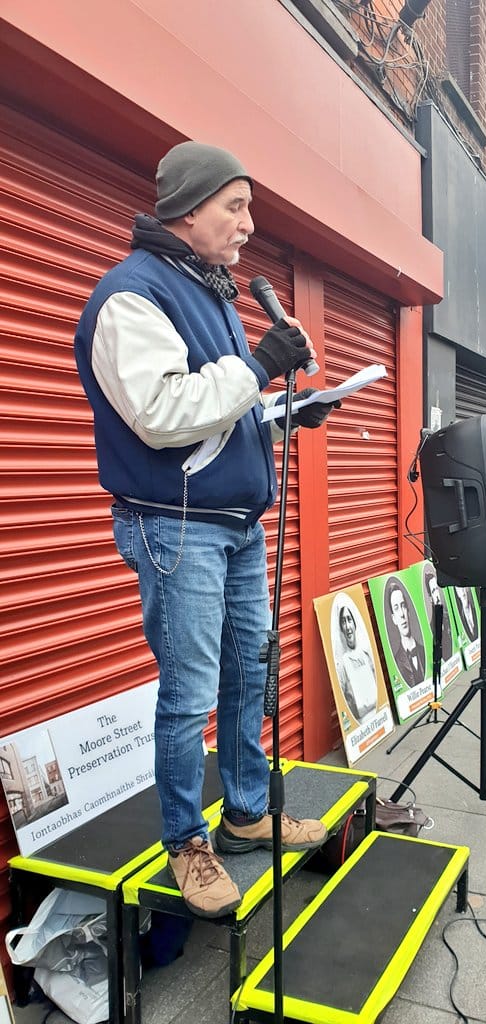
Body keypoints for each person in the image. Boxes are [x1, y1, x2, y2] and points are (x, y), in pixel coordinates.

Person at [74, 141, 339, 918]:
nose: (250, 225)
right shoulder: (132, 294)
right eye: (236, 206)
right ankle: (186, 842)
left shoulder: (211, 292)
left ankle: (248, 814)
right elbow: (162, 413)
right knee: (190, 693)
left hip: (234, 523)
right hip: (178, 525)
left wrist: (283, 411)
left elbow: (216, 414)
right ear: (189, 209)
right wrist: (258, 366)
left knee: (249, 674)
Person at [336, 603, 378, 722]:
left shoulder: (366, 655)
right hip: (360, 723)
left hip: (378, 716)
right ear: (341, 629)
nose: (347, 626)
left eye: (349, 619)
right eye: (343, 622)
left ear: (354, 624)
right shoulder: (342, 664)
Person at [385, 578, 427, 686]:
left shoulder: (425, 651)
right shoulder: (396, 662)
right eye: (396, 608)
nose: (401, 614)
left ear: (408, 611)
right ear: (394, 619)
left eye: (403, 606)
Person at [423, 563, 453, 664]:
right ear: (430, 598)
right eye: (433, 591)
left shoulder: (450, 618)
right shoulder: (430, 626)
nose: (436, 594)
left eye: (436, 589)